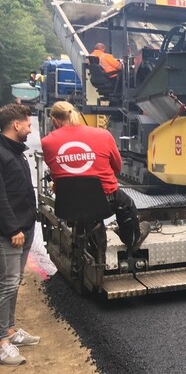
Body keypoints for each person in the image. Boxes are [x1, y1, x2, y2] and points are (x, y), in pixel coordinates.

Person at [41, 102, 149, 255]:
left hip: (68, 203)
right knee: (127, 204)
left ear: (54, 120)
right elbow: (117, 167)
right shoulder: (102, 134)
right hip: (105, 200)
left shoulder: (47, 142)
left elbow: (55, 172)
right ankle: (132, 239)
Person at [0, 104, 40, 366]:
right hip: (10, 231)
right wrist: (12, 228)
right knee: (6, 284)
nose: (30, 128)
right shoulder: (2, 154)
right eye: (27, 124)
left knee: (14, 283)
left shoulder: (16, 152)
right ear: (16, 125)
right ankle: (2, 340)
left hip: (23, 227)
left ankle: (11, 330)